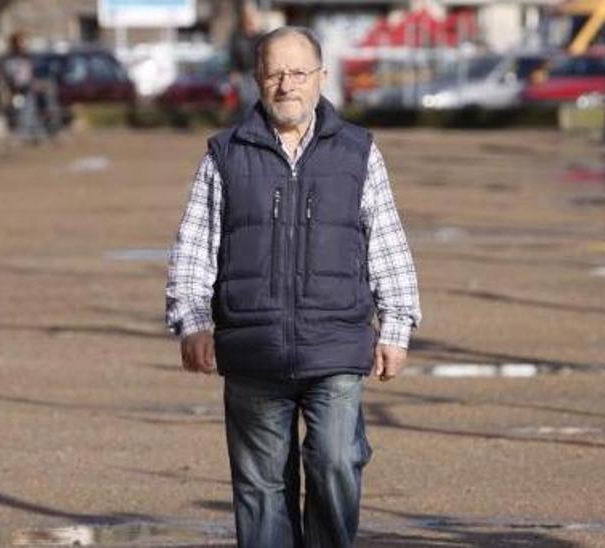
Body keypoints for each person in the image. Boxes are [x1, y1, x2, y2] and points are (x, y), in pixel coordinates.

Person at [164, 26, 422, 548]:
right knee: (261, 489)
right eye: (274, 74)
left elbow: (386, 239)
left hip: (336, 344)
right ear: (257, 81)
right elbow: (194, 244)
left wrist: (397, 325)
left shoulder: (358, 151)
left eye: (298, 73)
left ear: (321, 77)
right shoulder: (224, 154)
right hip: (253, 349)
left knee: (335, 460)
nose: (287, 85)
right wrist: (191, 321)